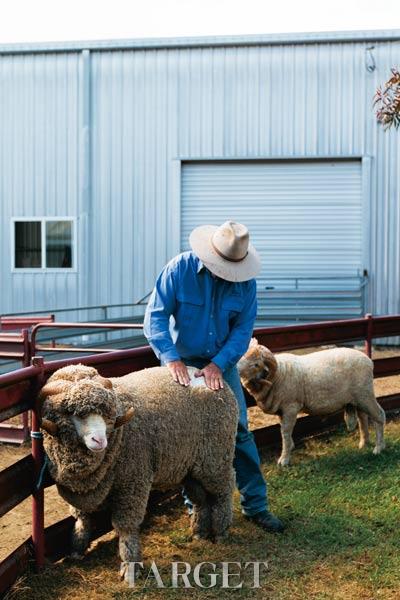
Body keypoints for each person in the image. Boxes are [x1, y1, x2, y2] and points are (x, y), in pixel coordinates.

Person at [143, 221, 284, 533]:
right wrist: (171, 359)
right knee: (185, 432)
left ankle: (256, 505)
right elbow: (155, 316)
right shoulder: (179, 269)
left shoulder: (245, 284)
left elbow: (242, 331)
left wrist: (219, 364)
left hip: (222, 364)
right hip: (182, 362)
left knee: (238, 430)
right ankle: (197, 508)